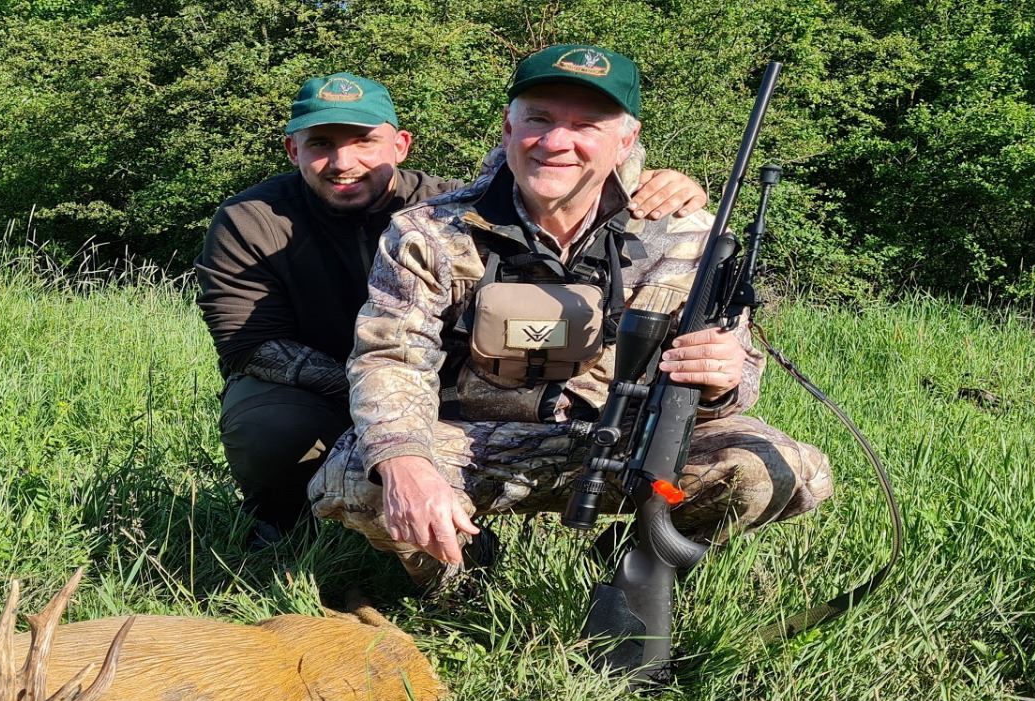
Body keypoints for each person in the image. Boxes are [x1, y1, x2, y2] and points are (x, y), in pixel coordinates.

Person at [307, 45, 833, 589]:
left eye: (586, 125)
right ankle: (463, 577)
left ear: (626, 141)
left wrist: (723, 381)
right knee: (360, 478)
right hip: (475, 443)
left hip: (630, 445)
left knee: (778, 469)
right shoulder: (429, 230)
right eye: (539, 119)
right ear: (508, 128)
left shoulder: (688, 233)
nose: (556, 142)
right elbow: (390, 358)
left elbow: (739, 381)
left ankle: (633, 561)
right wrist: (406, 462)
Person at [195, 72, 707, 542]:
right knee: (270, 427)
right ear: (293, 150)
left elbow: (545, 189)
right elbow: (248, 345)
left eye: (364, 142)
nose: (344, 162)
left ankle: (493, 529)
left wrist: (644, 184)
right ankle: (289, 526)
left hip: (428, 377)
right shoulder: (250, 219)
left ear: (400, 145)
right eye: (321, 144)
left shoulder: (446, 212)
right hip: (320, 385)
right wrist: (385, 394)